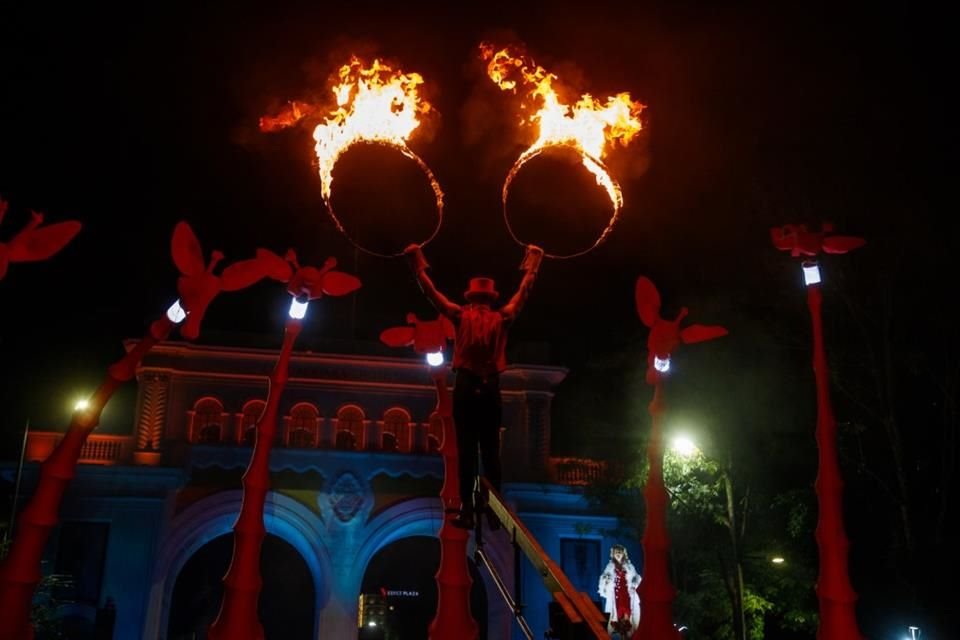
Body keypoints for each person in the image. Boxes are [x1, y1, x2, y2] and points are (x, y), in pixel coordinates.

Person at [405, 242, 543, 529]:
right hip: (490, 386)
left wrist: (416, 262)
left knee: (467, 449)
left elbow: (431, 293)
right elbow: (524, 292)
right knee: (490, 449)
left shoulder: (460, 314)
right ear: (490, 298)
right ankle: (492, 510)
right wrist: (534, 263)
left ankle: (468, 508)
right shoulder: (502, 317)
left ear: (471, 297)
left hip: (467, 386)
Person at [598, 544, 641, 637]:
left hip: (627, 595)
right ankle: (620, 633)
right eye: (616, 552)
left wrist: (634, 583)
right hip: (615, 597)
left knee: (627, 616)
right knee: (616, 616)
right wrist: (606, 581)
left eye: (620, 552)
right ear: (613, 554)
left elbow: (636, 578)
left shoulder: (629, 566)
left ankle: (627, 634)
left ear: (623, 554)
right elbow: (604, 581)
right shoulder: (610, 567)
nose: (618, 554)